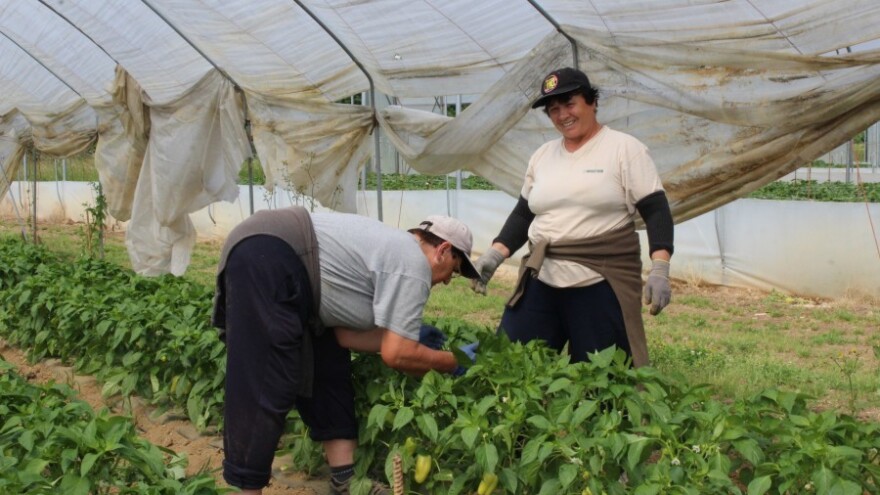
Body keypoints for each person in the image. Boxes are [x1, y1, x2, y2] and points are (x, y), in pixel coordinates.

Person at [211, 207, 480, 495]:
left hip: (278, 256)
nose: (449, 280)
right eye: (454, 269)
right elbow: (397, 355)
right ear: (443, 249)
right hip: (269, 254)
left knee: (327, 365)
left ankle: (345, 479)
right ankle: (248, 490)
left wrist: (401, 339)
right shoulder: (413, 262)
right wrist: (452, 362)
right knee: (267, 378)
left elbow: (345, 336)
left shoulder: (392, 248)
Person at [470, 67, 674, 368]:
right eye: (553, 109)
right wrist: (493, 256)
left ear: (591, 102)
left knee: (601, 373)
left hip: (599, 278)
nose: (562, 114)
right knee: (513, 362)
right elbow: (524, 213)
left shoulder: (623, 149)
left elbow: (656, 210)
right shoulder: (543, 155)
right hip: (542, 275)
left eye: (569, 104)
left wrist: (660, 267)